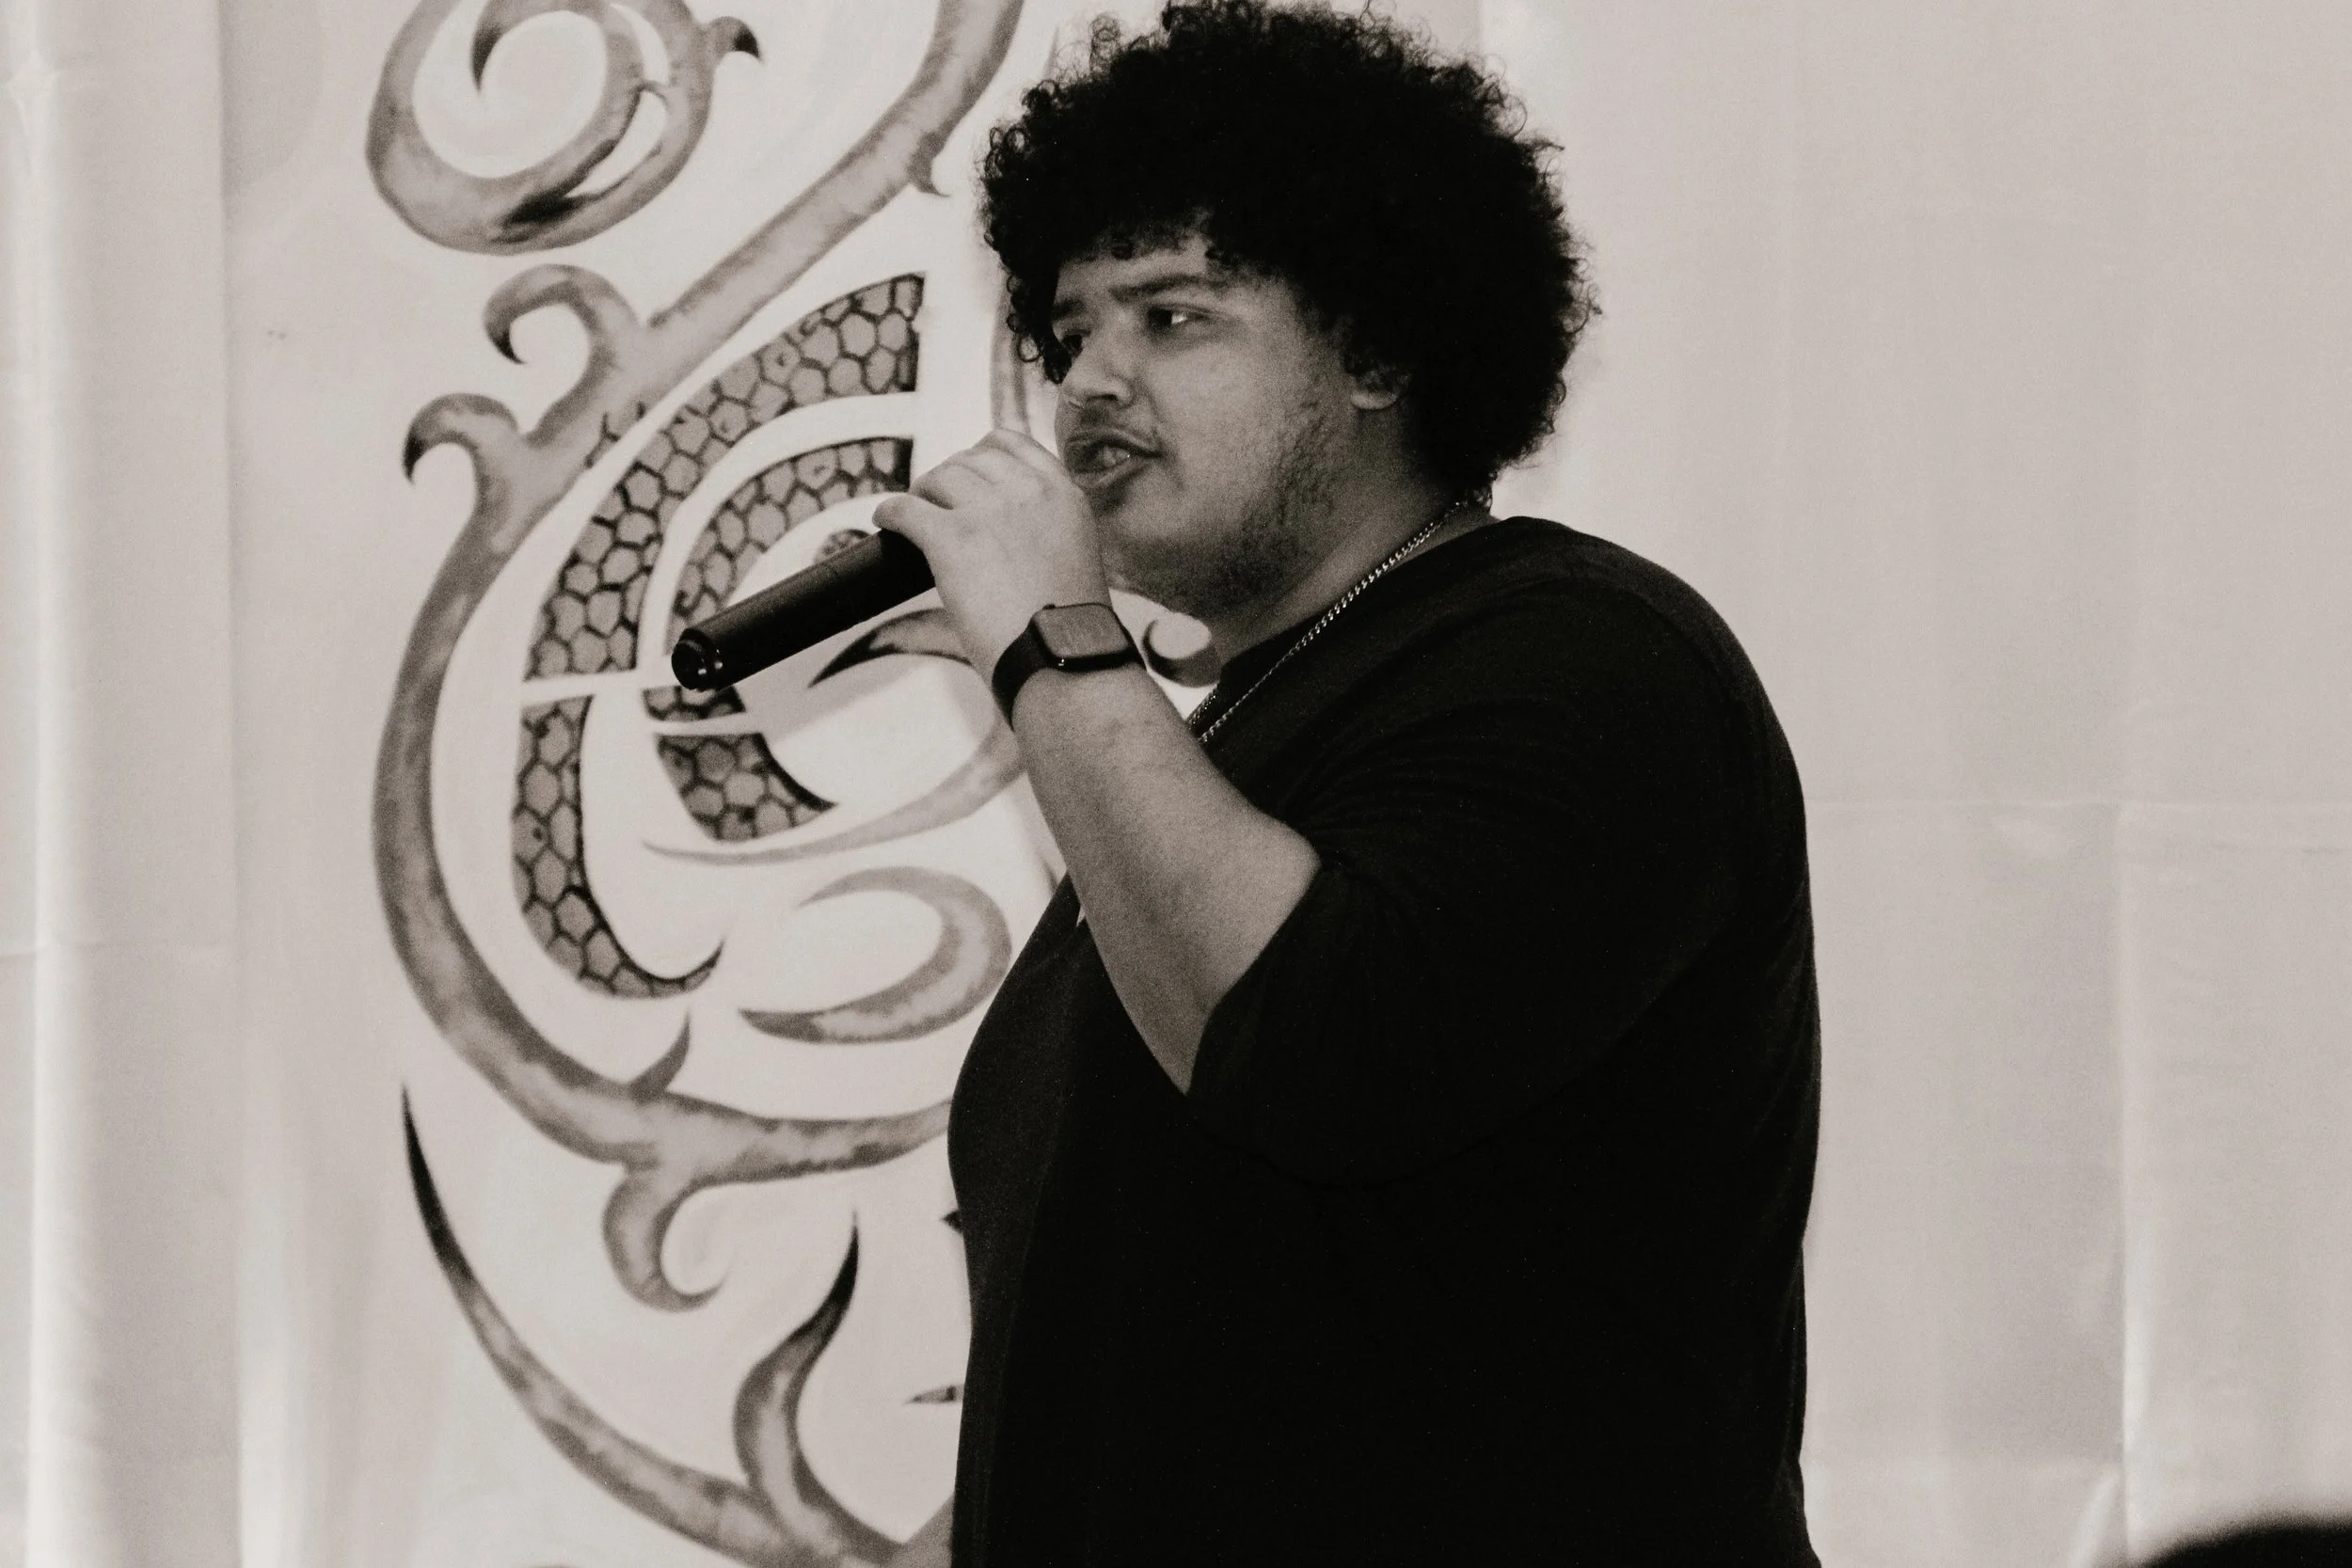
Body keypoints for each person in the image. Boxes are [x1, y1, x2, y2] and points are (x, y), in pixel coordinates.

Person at [873, 3, 1821, 1562]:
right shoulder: (1201, 748)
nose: (1090, 384)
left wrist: (1056, 646)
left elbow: (1308, 1044)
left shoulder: (1583, 654)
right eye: (1068, 333)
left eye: (1174, 316)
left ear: (1381, 348)